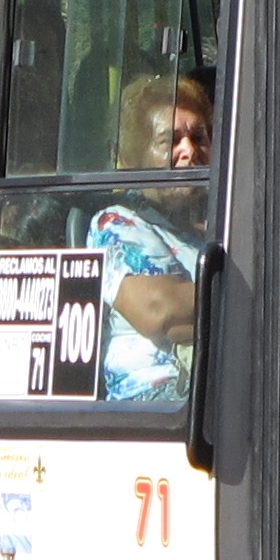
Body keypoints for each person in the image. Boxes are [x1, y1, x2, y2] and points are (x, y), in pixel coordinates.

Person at [87, 75, 212, 404]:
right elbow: (160, 314)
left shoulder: (234, 220)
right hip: (155, 405)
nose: (189, 151)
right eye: (170, 141)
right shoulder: (117, 223)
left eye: (199, 137)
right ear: (136, 157)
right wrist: (267, 308)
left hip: (235, 384)